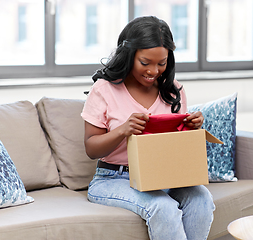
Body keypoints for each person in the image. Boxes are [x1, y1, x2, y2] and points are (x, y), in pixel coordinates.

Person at [81, 16, 215, 240]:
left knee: (202, 200)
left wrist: (191, 128)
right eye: (145, 63)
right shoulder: (104, 89)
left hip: (165, 176)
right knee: (163, 208)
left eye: (161, 63)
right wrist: (124, 130)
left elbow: (175, 147)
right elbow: (91, 149)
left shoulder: (173, 90)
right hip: (113, 178)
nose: (154, 70)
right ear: (129, 55)